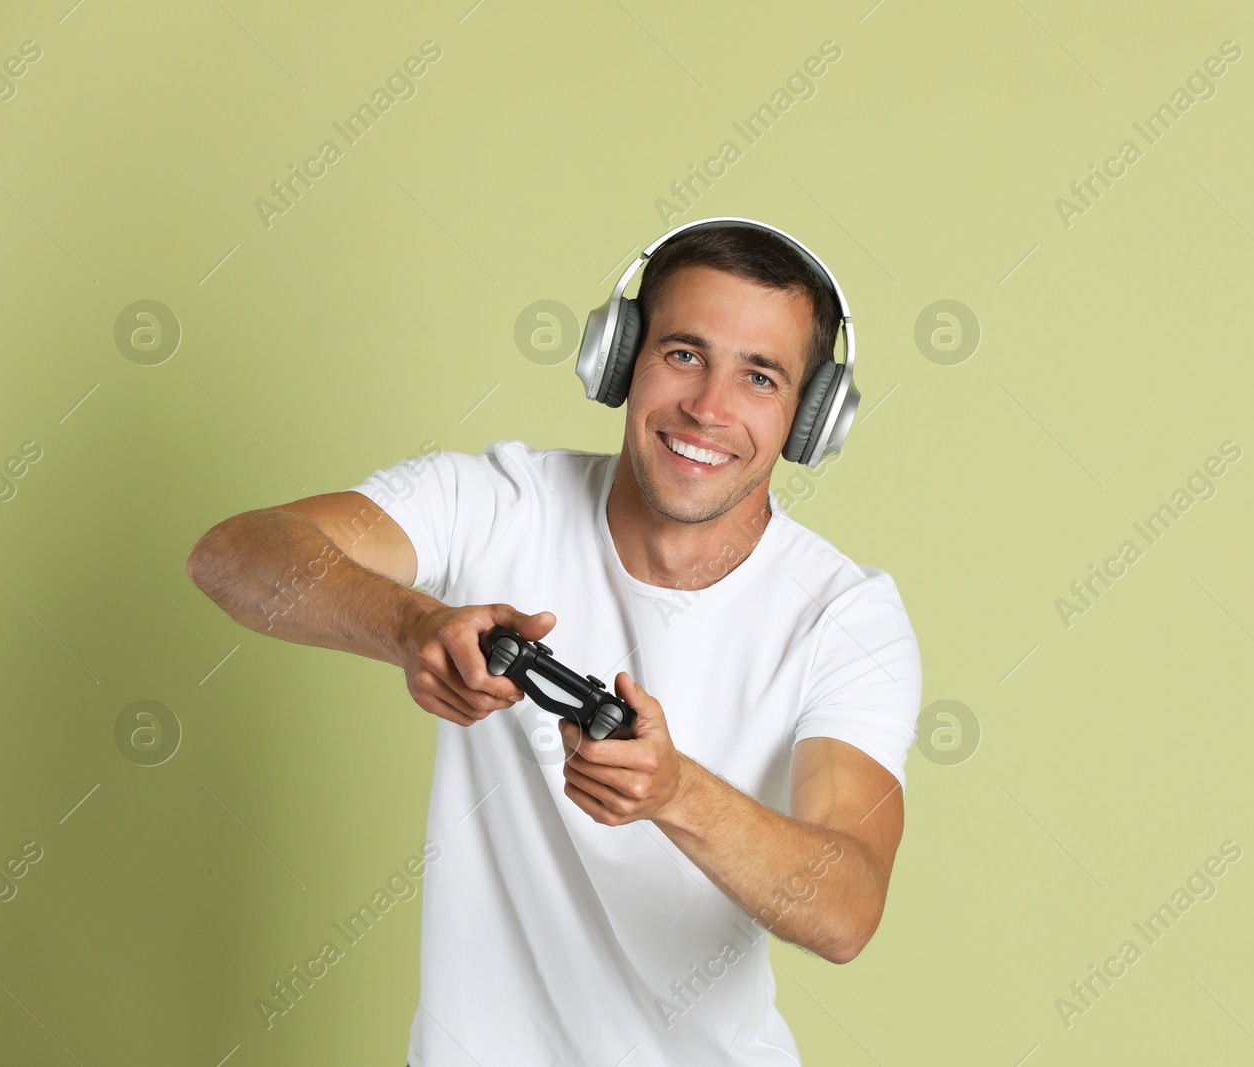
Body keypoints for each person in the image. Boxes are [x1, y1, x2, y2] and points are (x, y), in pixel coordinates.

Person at [185, 219, 923, 1066]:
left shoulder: (844, 615)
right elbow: (234, 557)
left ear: (807, 418)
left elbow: (846, 906)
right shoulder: (497, 501)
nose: (708, 408)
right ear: (621, 357)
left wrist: (675, 792)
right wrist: (412, 625)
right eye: (683, 353)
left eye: (759, 376)